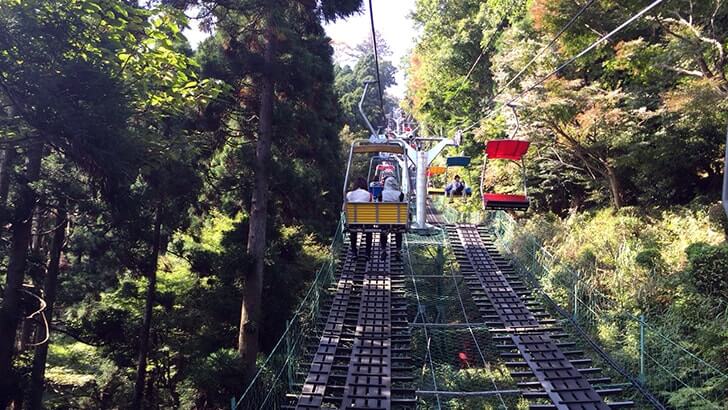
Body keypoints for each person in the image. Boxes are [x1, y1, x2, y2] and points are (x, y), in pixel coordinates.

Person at [377, 176, 404, 259]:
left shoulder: (382, 194)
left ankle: (383, 250)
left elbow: (378, 205)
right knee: (399, 233)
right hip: (397, 222)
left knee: (383, 232)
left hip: (384, 222)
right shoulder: (400, 194)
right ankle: (398, 250)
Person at [345, 177, 372, 257]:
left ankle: (354, 251)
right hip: (366, 221)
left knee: (353, 232)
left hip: (353, 221)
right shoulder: (368, 195)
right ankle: (367, 252)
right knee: (369, 232)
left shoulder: (349, 194)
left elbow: (344, 208)